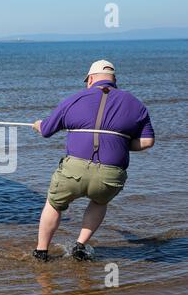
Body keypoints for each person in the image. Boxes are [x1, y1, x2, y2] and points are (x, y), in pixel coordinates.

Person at [32, 60, 155, 262]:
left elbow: (46, 130)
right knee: (99, 202)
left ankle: (41, 252)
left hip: (74, 171)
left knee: (53, 204)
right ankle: (80, 245)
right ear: (114, 80)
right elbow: (148, 141)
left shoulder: (73, 99)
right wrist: (122, 143)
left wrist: (38, 125)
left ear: (90, 80)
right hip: (110, 174)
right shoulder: (136, 104)